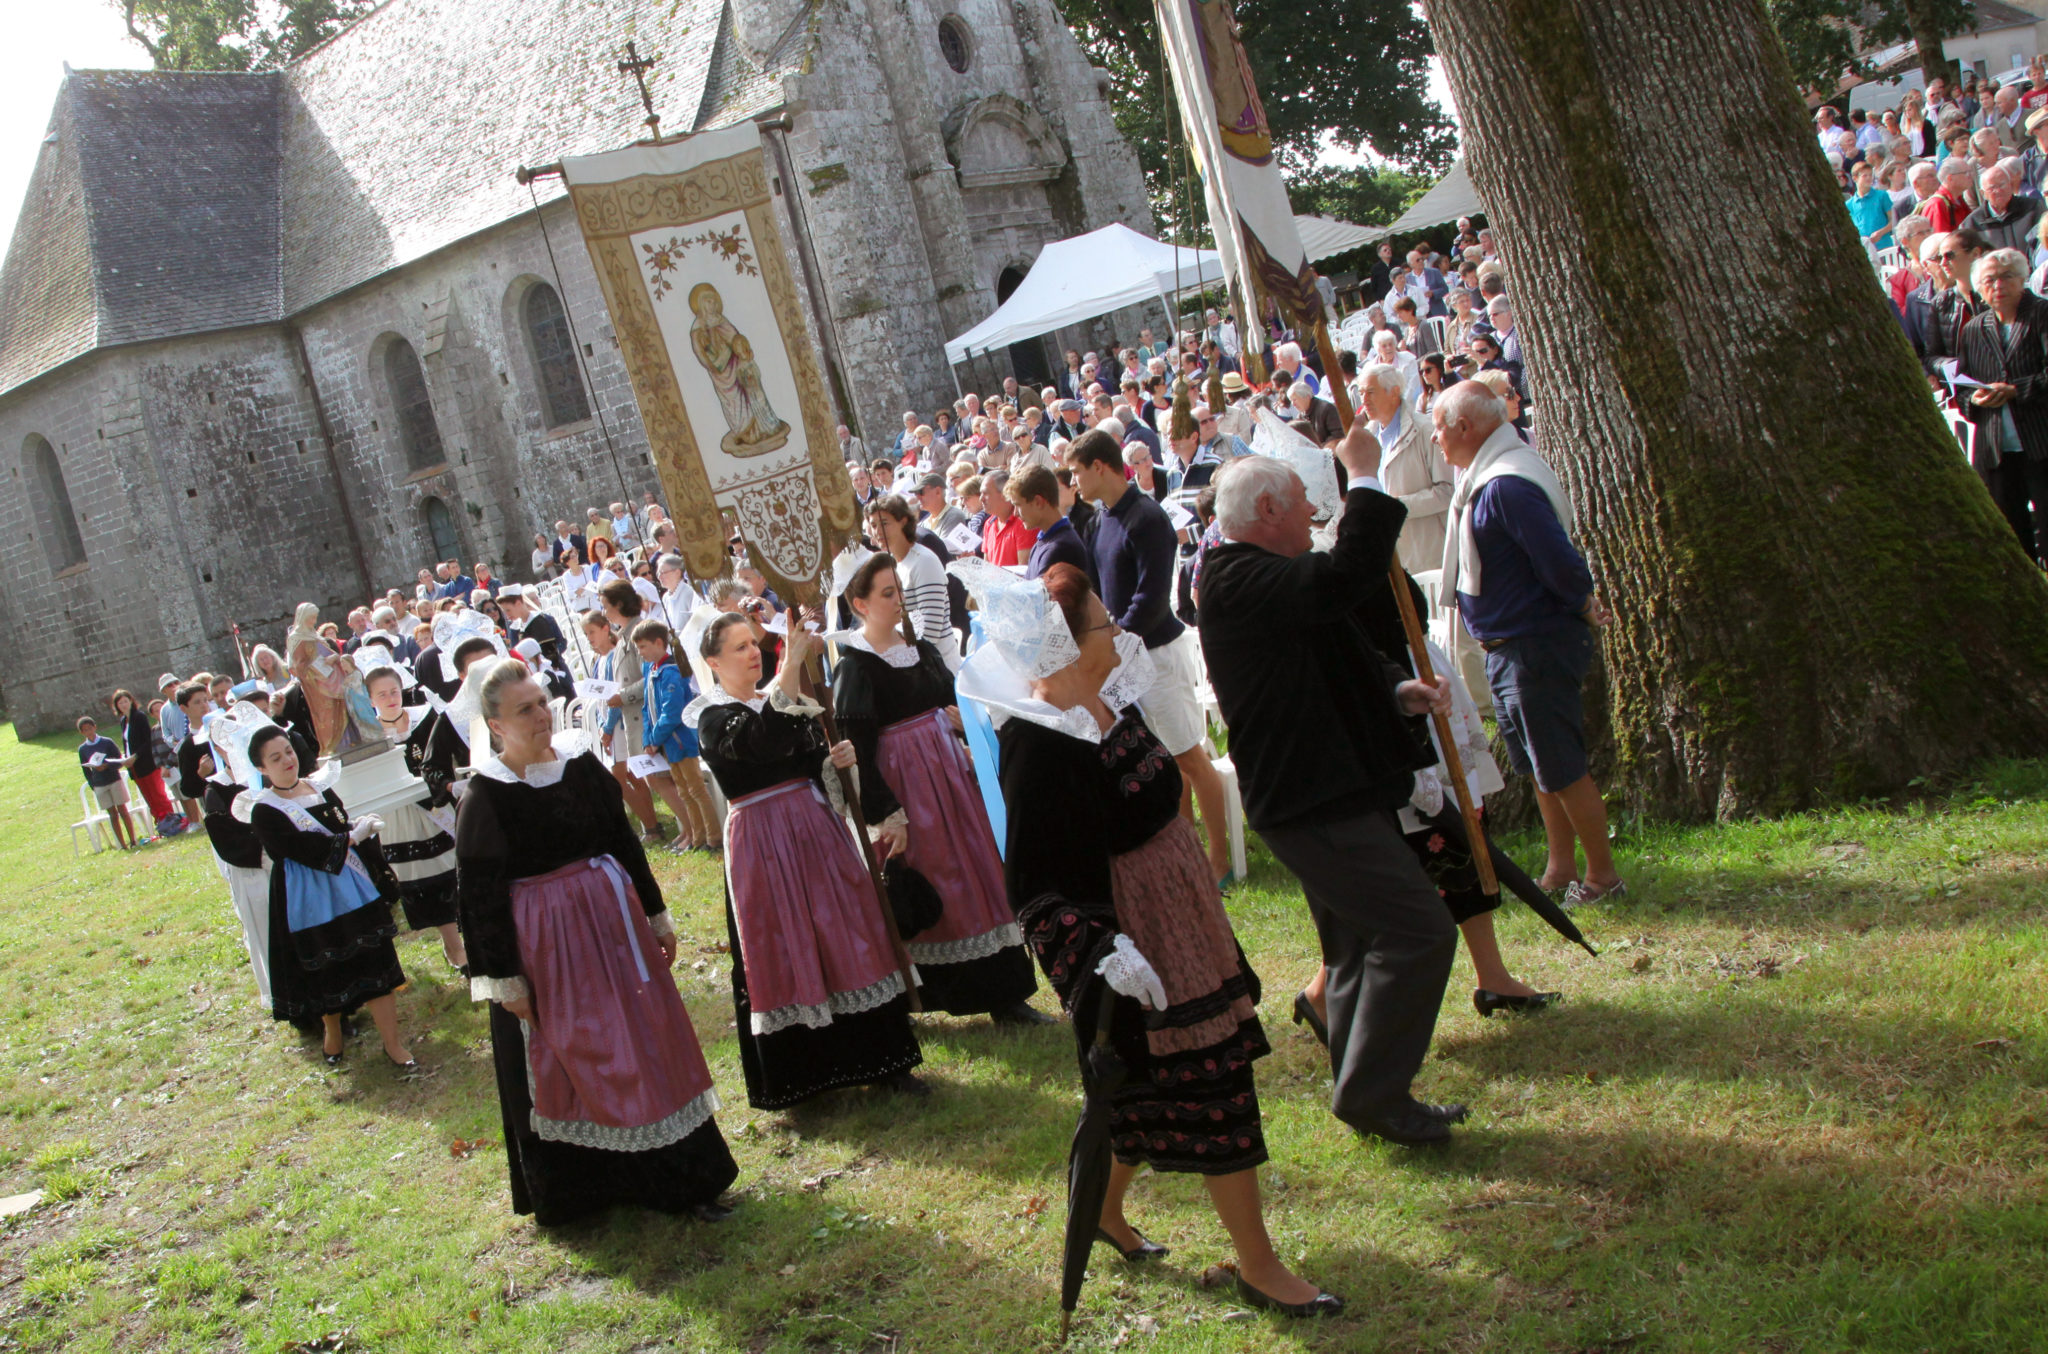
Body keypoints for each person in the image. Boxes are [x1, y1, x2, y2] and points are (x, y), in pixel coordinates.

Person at [972, 561, 1342, 1317]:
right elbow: (1035, 884)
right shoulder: (1041, 741)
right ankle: (1258, 1264)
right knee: (1215, 1081)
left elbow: (1158, 790)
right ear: (1066, 646)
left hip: (1181, 912)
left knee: (1138, 1096)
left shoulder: (1109, 699)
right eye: (1105, 624)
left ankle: (1105, 1213)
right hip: (1139, 935)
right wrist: (1100, 949)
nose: (1120, 632)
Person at [1197, 443, 1469, 1149]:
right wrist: (1368, 477)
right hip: (1310, 801)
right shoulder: (1235, 579)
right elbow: (1349, 575)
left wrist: (1395, 690)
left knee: (1354, 944)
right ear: (1267, 512)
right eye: (1303, 504)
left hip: (1324, 790)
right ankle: (1373, 1094)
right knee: (1419, 931)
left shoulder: (1267, 576)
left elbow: (1333, 649)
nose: (1316, 513)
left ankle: (1366, 1082)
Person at [454, 658, 739, 1226]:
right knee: (576, 1056)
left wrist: (656, 915)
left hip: (613, 928)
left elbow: (623, 842)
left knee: (646, 1046)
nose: (539, 715)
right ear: (495, 726)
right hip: (546, 949)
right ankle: (588, 1189)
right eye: (523, 710)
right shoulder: (486, 795)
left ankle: (684, 1180)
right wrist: (505, 979)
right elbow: (478, 897)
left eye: (540, 703)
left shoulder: (581, 768)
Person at [691, 612, 927, 1106]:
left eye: (754, 643)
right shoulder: (711, 717)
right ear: (712, 662)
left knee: (848, 931)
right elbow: (762, 743)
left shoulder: (782, 700)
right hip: (763, 840)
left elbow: (799, 759)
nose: (753, 652)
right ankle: (810, 1075)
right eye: (738, 647)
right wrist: (791, 666)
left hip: (814, 829)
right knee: (786, 943)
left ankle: (886, 1062)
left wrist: (831, 761)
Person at [833, 555, 1044, 1022]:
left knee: (980, 874)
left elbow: (955, 699)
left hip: (952, 779)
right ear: (860, 604)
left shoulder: (923, 650)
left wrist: (959, 721)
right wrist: (886, 811)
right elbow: (859, 749)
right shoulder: (855, 667)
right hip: (911, 790)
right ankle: (942, 993)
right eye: (887, 594)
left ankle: (1007, 996)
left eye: (900, 592)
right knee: (940, 882)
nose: (898, 602)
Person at [1434, 381, 1623, 904]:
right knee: (1540, 768)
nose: (1436, 440)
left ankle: (1603, 877)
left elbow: (1558, 561)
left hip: (1534, 644)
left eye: (1439, 429)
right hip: (1509, 648)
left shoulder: (1507, 485)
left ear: (1466, 428)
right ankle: (1560, 869)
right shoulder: (1487, 478)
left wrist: (1584, 605)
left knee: (1561, 765)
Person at [1065, 429, 1237, 885]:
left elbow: (1154, 596)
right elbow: (1101, 592)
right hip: (1125, 655)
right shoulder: (1099, 521)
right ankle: (1190, 852)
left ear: (1100, 466)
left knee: (1190, 756)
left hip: (1158, 651)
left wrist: (1114, 639)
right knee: (1163, 757)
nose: (1074, 481)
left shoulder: (1147, 516)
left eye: (1077, 471)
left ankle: (1220, 860)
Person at [242, 725, 414, 1070]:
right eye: (275, 758)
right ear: (262, 769)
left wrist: (359, 831)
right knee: (326, 967)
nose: (287, 760)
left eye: (288, 752)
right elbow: (298, 848)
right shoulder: (265, 810)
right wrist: (350, 838)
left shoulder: (320, 789)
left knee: (375, 958)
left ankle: (393, 1043)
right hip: (307, 898)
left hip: (349, 886)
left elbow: (341, 826)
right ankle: (332, 1031)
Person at [360, 660, 467, 972]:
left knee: (453, 868)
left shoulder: (425, 718)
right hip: (400, 817)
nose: (390, 698)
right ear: (370, 700)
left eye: (394, 691)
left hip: (435, 804)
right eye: (381, 695)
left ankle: (466, 934)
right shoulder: (369, 735)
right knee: (423, 878)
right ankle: (453, 945)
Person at [1958, 247, 2048, 562]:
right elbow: (1963, 387)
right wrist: (1976, 398)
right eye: (1989, 280)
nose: (1998, 286)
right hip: (1996, 446)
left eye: (2006, 277)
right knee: (2010, 533)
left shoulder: (2041, 315)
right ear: (1979, 288)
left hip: (2040, 440)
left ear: (2022, 279)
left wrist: (2015, 390)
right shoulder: (1973, 329)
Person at [632, 616, 723, 854]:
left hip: (681, 740)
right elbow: (647, 709)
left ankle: (714, 837)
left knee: (696, 790)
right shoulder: (652, 671)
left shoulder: (671, 672)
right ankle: (698, 836)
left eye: (643, 646)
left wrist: (654, 739)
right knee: (683, 791)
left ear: (660, 643)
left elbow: (671, 713)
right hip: (667, 743)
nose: (640, 652)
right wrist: (647, 739)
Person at [1361, 362, 1454, 574]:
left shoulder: (1425, 430)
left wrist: (1395, 508)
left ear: (1394, 393)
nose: (1364, 400)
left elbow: (1448, 490)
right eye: (1361, 393)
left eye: (1371, 392)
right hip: (1391, 555)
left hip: (1429, 554)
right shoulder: (1367, 438)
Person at [866, 494, 956, 662]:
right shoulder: (895, 564)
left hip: (938, 667)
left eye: (884, 523)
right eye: (873, 525)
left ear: (904, 521)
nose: (878, 531)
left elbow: (930, 631)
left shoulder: (924, 560)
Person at [110, 688, 182, 835]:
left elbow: (146, 741)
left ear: (131, 701)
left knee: (158, 795)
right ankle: (161, 824)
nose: (123, 704)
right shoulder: (124, 721)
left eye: (125, 701)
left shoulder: (139, 717)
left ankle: (172, 823)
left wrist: (135, 756)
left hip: (147, 763)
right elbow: (127, 742)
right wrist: (126, 757)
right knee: (149, 798)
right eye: (120, 703)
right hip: (134, 767)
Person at [78, 715, 141, 850]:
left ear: (95, 727)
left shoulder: (107, 742)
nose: (89, 732)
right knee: (112, 814)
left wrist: (107, 766)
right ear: (82, 733)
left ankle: (133, 840)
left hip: (113, 779)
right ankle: (122, 844)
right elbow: (86, 770)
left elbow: (119, 760)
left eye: (90, 728)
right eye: (85, 730)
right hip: (99, 783)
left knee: (123, 810)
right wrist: (92, 784)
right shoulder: (82, 749)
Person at [1963, 163, 2044, 252]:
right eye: (1992, 188)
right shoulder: (1973, 223)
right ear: (1983, 194)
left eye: (2002, 185)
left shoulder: (2032, 207)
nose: (1998, 191)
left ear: (2010, 185)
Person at [977, 469, 1037, 566]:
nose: (981, 499)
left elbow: (1023, 571)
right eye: (981, 494)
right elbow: (986, 568)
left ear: (1005, 494)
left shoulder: (1024, 523)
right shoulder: (989, 524)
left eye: (986, 493)